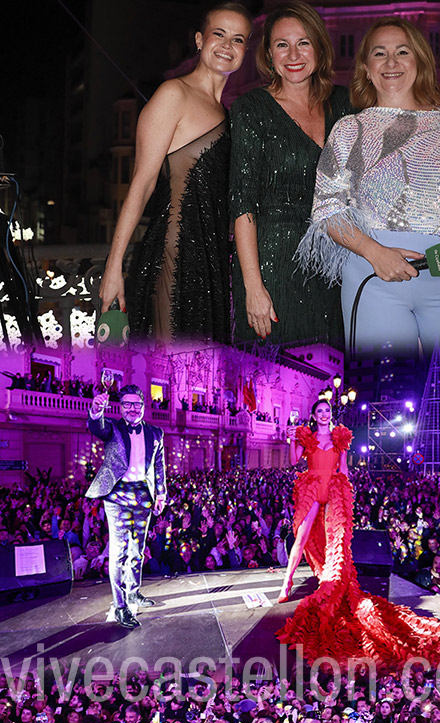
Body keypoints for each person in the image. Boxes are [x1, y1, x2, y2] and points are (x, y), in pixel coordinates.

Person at [299, 17, 440, 356]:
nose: (391, 62)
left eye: (402, 51)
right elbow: (328, 211)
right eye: (379, 53)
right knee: (384, 387)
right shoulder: (349, 129)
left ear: (420, 63)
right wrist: (376, 253)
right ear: (367, 69)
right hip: (374, 277)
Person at [99, 4, 252, 340]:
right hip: (170, 256)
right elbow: (141, 185)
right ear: (199, 40)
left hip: (209, 265)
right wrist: (113, 268)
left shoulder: (226, 113)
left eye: (238, 39)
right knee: (166, 378)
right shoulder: (173, 94)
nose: (228, 45)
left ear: (245, 50)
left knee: (197, 384)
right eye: (219, 34)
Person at [276, 399, 440, 669]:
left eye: (327, 410)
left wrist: (350, 493)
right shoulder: (307, 435)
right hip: (312, 485)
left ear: (330, 414)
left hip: (336, 487)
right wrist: (290, 439)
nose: (324, 414)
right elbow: (294, 461)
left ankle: (330, 580)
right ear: (314, 416)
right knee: (302, 535)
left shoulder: (340, 435)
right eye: (320, 411)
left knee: (336, 540)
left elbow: (345, 467)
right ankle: (287, 582)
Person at [229, 1, 350, 344]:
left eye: (304, 42)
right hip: (273, 265)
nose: (293, 54)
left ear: (320, 48)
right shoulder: (251, 108)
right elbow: (243, 201)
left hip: (335, 262)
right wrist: (253, 286)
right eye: (282, 44)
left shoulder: (345, 103)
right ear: (269, 54)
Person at [86, 385, 166, 628]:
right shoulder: (113, 428)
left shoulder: (156, 433)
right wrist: (96, 410)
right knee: (119, 552)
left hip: (143, 495)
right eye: (127, 404)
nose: (132, 409)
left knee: (137, 550)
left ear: (143, 405)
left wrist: (160, 494)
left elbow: (159, 466)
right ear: (120, 408)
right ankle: (121, 606)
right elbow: (96, 427)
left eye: (137, 404)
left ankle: (133, 592)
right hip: (117, 496)